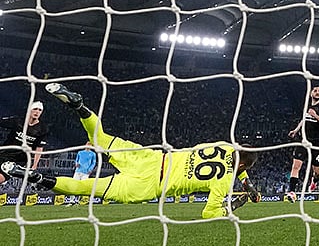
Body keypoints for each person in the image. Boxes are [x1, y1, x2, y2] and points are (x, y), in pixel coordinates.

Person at [2, 84, 261, 219]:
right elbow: (209, 213)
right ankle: (35, 177)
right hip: (147, 185)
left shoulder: (223, 146)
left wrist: (246, 183)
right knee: (86, 188)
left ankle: (79, 105)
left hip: (149, 157)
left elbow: (234, 161)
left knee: (100, 137)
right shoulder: (225, 180)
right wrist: (237, 201)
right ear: (242, 168)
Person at [285, 85, 319, 202]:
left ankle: (314, 181)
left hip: (316, 143)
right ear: (311, 93)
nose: (317, 92)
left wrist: (315, 115)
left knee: (317, 173)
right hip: (303, 141)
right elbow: (304, 119)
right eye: (315, 90)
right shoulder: (307, 106)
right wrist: (296, 130)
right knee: (295, 166)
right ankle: (292, 192)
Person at [0, 100, 47, 189]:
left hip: (18, 160)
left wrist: (34, 165)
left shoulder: (43, 129)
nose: (37, 112)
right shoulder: (18, 121)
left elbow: (39, 148)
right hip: (3, 153)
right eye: (35, 109)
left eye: (40, 110)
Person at [65, 142, 97, 206]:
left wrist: (90, 169)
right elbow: (76, 160)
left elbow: (93, 163)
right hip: (78, 171)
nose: (88, 146)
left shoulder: (93, 154)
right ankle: (71, 201)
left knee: (82, 186)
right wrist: (76, 164)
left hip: (85, 173)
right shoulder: (80, 152)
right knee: (73, 185)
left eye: (90, 145)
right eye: (87, 145)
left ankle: (78, 201)